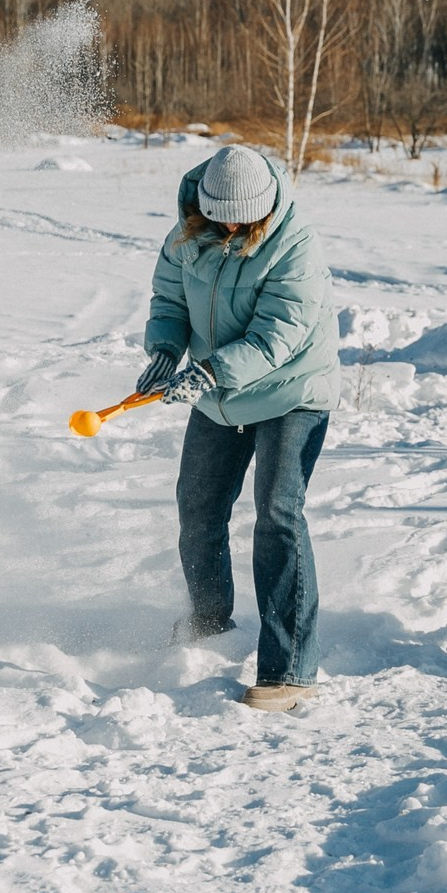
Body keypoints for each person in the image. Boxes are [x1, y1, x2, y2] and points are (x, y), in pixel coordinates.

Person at [136, 145, 338, 711]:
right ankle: (209, 624)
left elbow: (278, 336)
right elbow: (169, 298)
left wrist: (208, 372)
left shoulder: (295, 245)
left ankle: (290, 670)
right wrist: (165, 348)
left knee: (277, 513)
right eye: (219, 216)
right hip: (220, 395)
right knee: (198, 506)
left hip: (292, 390)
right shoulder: (187, 233)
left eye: (241, 219)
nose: (229, 227)